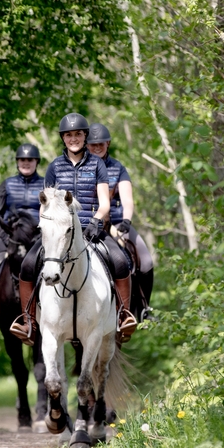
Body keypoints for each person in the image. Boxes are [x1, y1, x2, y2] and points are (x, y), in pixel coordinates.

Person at [13, 113, 137, 342]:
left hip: (91, 229)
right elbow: (45, 204)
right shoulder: (54, 167)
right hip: (59, 232)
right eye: (69, 135)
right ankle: (28, 321)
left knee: (120, 261)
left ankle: (123, 316)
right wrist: (47, 226)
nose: (74, 139)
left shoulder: (98, 164)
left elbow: (105, 203)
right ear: (63, 138)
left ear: (84, 136)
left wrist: (95, 222)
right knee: (28, 265)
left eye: (78, 134)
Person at [86, 122, 154, 322]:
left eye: (101, 144)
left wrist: (126, 220)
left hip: (115, 223)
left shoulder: (118, 168)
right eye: (92, 144)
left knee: (147, 260)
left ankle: (144, 308)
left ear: (108, 144)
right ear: (86, 145)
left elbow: (127, 199)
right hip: (88, 222)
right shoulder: (81, 168)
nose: (97, 147)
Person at [0, 143, 46, 324]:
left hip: (36, 238)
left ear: (36, 162)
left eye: (29, 160)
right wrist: (6, 238)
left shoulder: (45, 185)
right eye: (22, 160)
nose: (26, 163)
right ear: (17, 162)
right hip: (10, 237)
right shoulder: (6, 185)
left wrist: (42, 234)